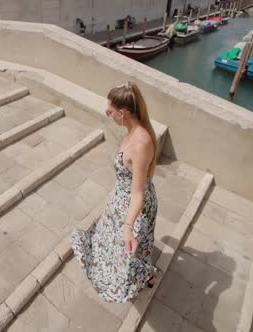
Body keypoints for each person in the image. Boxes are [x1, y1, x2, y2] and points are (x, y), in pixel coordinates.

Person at [71, 82, 159, 303]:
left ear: (122, 113)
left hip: (134, 204)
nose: (107, 113)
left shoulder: (141, 144)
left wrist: (129, 226)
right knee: (110, 242)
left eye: (109, 111)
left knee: (128, 251)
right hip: (122, 197)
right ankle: (142, 273)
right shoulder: (132, 130)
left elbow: (138, 193)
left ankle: (146, 275)